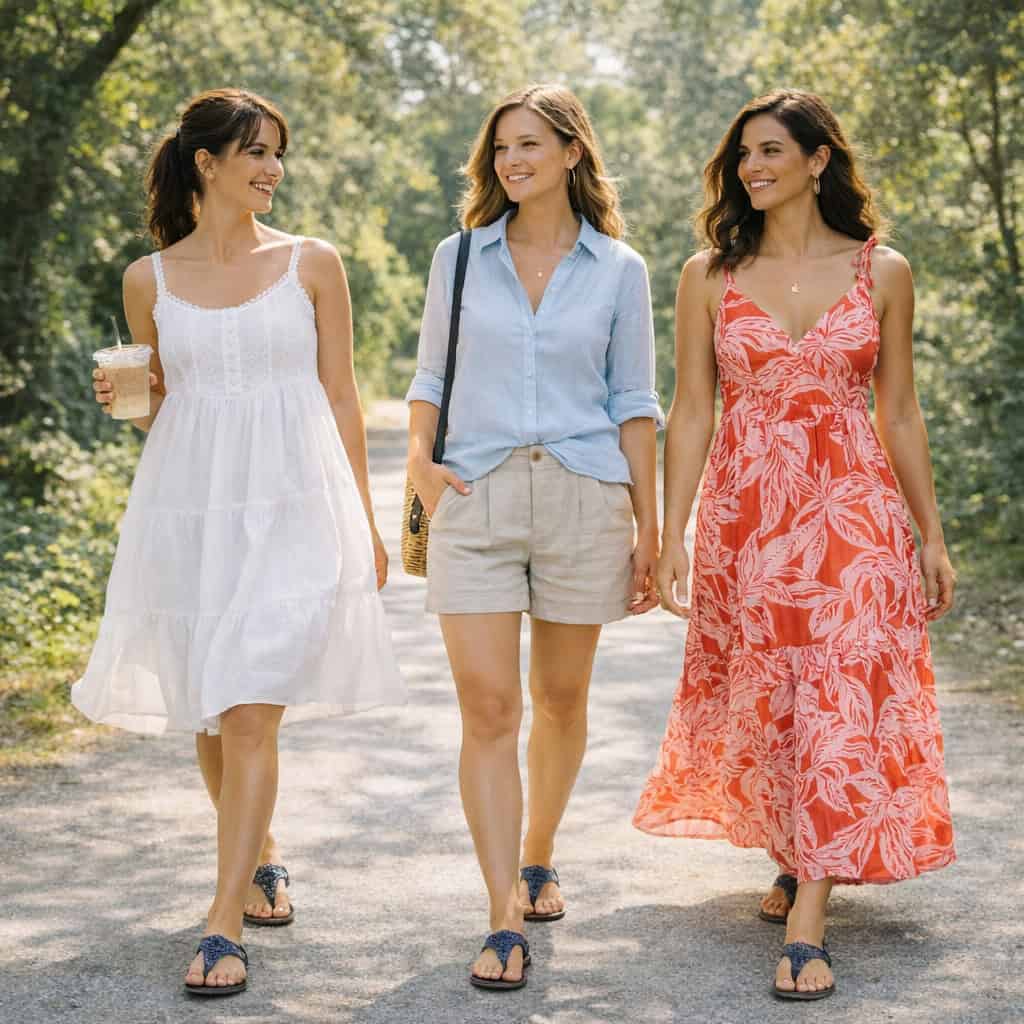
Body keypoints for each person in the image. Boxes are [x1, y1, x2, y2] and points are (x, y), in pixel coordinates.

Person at [73, 88, 404, 996]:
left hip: (295, 509)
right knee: (214, 711)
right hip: (190, 510)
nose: (273, 168)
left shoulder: (311, 262)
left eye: (277, 152)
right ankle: (258, 856)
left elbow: (341, 396)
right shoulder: (148, 279)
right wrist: (127, 404)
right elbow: (164, 415)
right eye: (256, 151)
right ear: (206, 162)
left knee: (252, 709)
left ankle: (222, 925)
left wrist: (365, 521)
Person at [633, 88, 956, 1001]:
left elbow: (899, 410)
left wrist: (930, 534)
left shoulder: (882, 270)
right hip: (750, 518)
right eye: (744, 155)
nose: (753, 167)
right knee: (777, 695)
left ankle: (809, 916)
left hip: (854, 516)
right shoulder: (710, 274)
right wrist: (674, 533)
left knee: (841, 690)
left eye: (772, 150)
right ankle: (800, 847)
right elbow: (691, 411)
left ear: (819, 161)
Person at [406, 83, 663, 990]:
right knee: (488, 709)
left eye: (529, 145)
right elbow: (429, 375)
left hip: (583, 497)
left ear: (571, 152)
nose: (511, 161)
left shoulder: (619, 269)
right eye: (501, 148)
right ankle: (501, 915)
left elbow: (635, 403)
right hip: (474, 495)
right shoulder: (460, 258)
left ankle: (538, 851)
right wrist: (420, 469)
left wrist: (651, 526)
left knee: (559, 699)